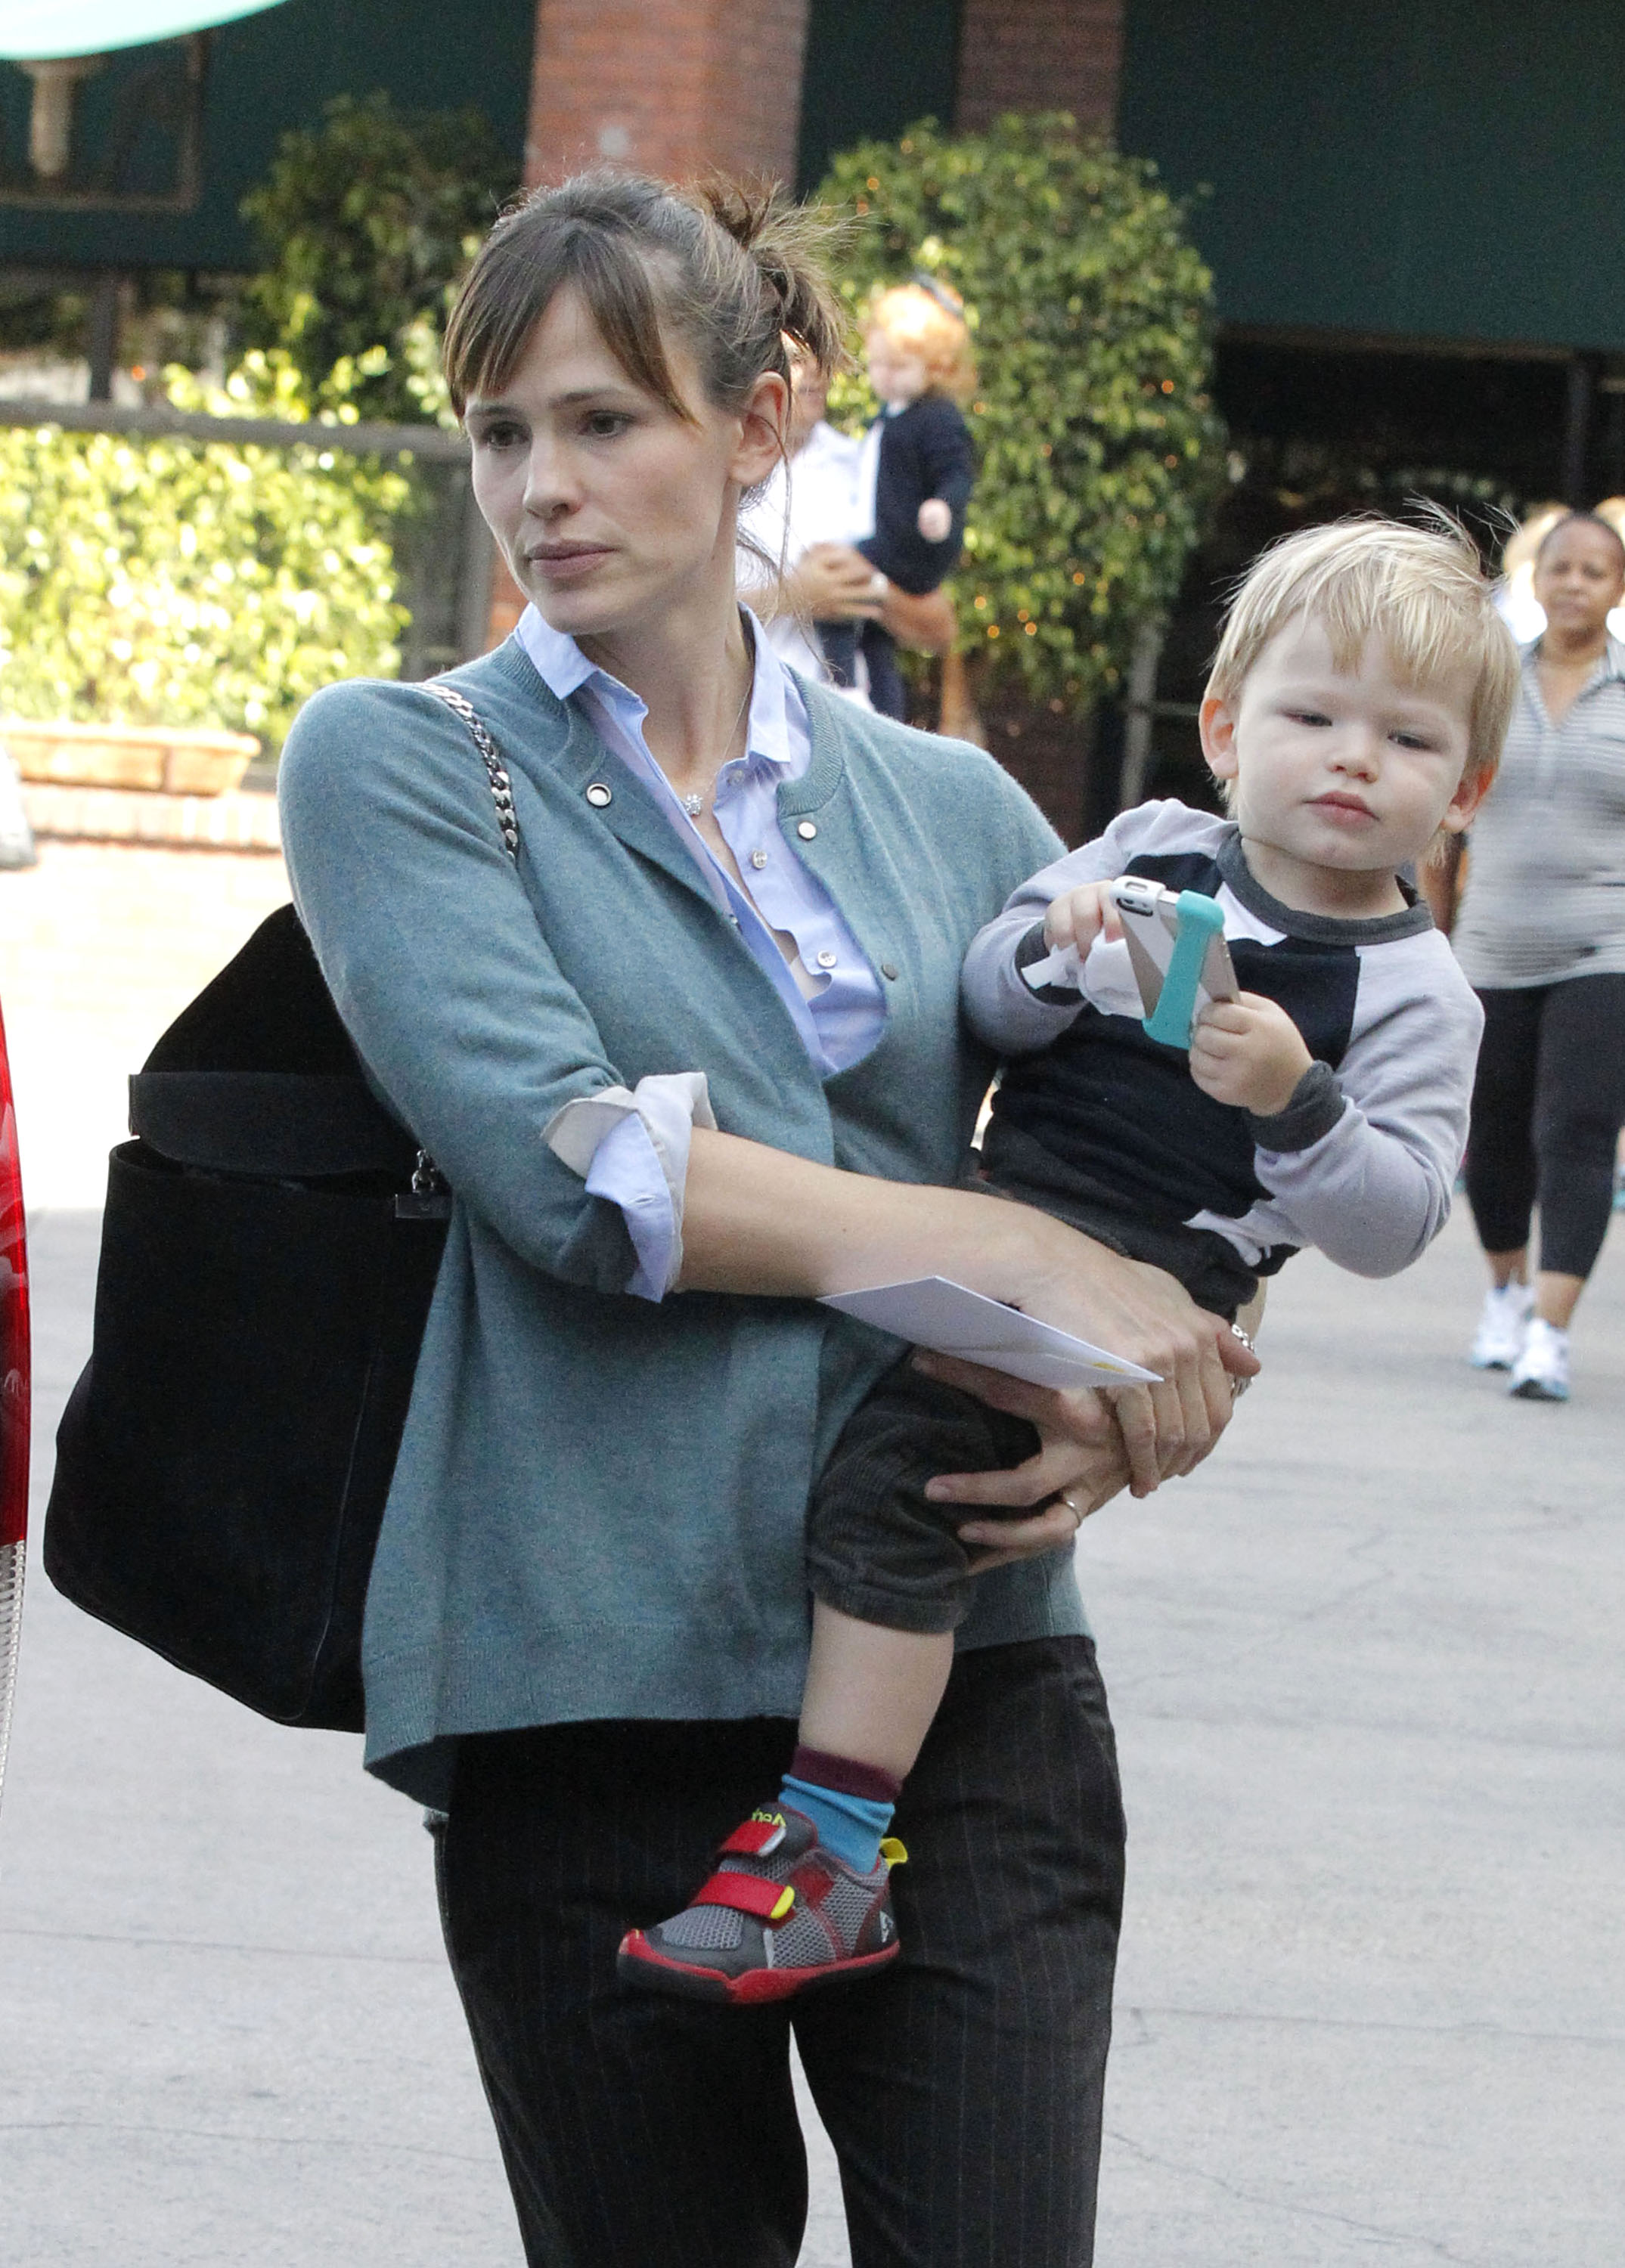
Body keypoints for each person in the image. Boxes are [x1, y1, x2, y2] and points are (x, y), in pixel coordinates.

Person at [276, 171, 1252, 2267]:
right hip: (583, 1682)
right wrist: (1001, 1259)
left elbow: (1119, 1185)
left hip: (962, 1689)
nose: (540, 485)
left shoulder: (956, 809)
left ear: (759, 419)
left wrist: (1143, 1381)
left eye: (602, 420)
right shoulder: (404, 766)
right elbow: (579, 1173)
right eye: (501, 431)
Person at [622, 514, 1518, 2003]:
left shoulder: (1413, 988)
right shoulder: (1154, 852)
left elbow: (1396, 1223)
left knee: (908, 1479)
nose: (1351, 762)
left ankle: (833, 1852)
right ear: (1227, 729)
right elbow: (984, 990)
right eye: (1311, 718)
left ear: (1467, 789)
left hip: (1157, 1287)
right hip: (994, 1211)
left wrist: (1296, 1101)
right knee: (804, 1391)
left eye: (1406, 740)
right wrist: (1058, 947)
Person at [1453, 508, 1625, 1400]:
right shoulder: (1489, 684)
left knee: (1576, 1130)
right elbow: (1442, 806)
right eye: (1562, 567)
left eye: (1596, 572)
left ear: (1617, 589)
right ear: (1538, 577)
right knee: (1493, 1135)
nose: (1575, 585)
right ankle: (1505, 1291)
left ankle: (1549, 1335)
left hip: (1605, 945)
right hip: (1489, 944)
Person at [737, 343, 957, 695]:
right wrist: (795, 595)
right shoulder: (715, 473)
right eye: (796, 359)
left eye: (819, 355)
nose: (814, 370)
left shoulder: (863, 466)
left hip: (842, 725)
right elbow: (669, 620)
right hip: (739, 719)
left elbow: (940, 628)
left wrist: (871, 588)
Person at [814, 280, 976, 720]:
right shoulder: (890, 415)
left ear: (937, 367)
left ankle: (840, 685)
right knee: (876, 640)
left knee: (836, 585)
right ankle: (884, 711)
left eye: (900, 366)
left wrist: (941, 506)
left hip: (908, 544)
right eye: (879, 365)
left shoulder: (937, 418)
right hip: (892, 538)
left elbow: (958, 472)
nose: (885, 376)